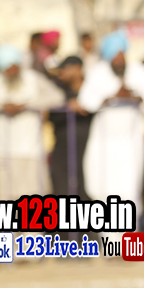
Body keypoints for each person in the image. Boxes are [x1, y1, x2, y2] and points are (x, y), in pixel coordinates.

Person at [78, 31, 144, 215]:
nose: (119, 61)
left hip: (130, 141)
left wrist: (135, 97)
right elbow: (85, 101)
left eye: (121, 56)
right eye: (115, 57)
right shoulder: (99, 72)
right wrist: (111, 98)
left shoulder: (137, 70)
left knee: (130, 187)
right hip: (104, 142)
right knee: (102, 187)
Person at [0, 45, 65, 200]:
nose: (12, 72)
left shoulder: (33, 79)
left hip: (31, 151)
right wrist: (0, 106)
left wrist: (26, 105)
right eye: (8, 69)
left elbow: (57, 97)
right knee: (6, 196)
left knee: (33, 197)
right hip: (3, 150)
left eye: (15, 68)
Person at [47, 56, 93, 199]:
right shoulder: (58, 91)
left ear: (77, 69)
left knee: (86, 190)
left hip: (88, 148)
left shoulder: (93, 89)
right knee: (61, 191)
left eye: (64, 69)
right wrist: (67, 106)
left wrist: (85, 105)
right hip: (62, 149)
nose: (61, 73)